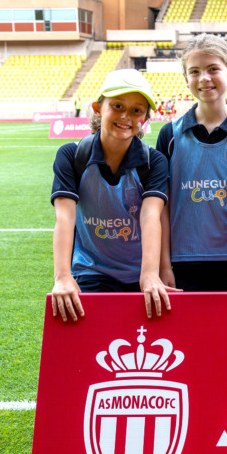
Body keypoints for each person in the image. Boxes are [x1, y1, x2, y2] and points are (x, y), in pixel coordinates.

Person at [49, 69, 174, 322]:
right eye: (117, 106)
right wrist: (62, 276)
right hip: (91, 272)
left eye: (136, 110)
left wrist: (151, 273)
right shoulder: (71, 156)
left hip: (139, 274)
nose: (126, 116)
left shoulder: (154, 162)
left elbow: (151, 216)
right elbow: (65, 218)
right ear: (97, 108)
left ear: (145, 118)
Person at [154, 34, 227, 292]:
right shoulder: (170, 135)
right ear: (186, 78)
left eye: (213, 69)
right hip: (181, 263)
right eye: (194, 71)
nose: (204, 78)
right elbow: (162, 207)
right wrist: (164, 265)